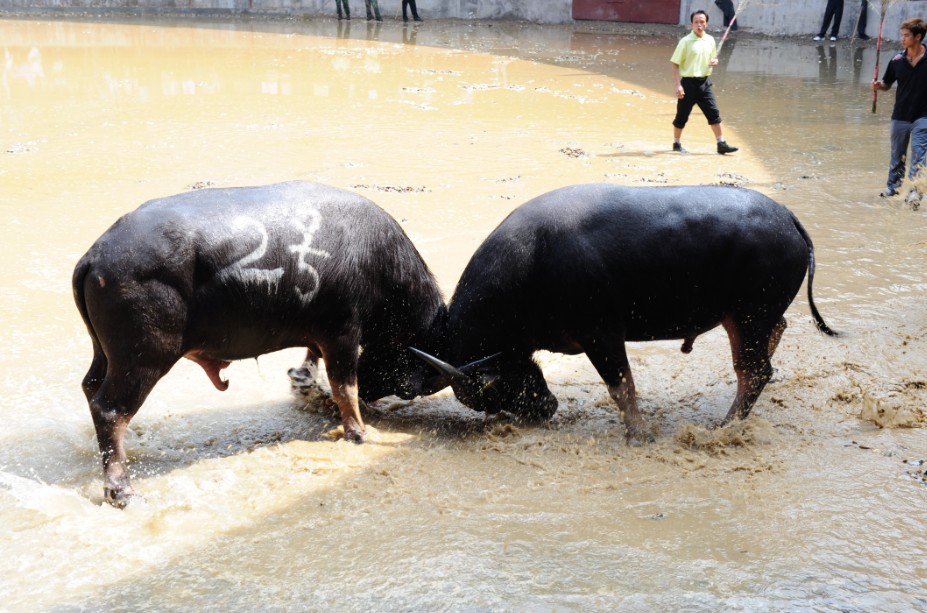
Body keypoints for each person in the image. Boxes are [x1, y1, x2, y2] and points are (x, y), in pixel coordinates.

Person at [872, 17, 927, 200]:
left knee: (919, 156)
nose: (902, 39)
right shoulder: (897, 60)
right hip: (900, 116)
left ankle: (914, 191)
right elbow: (887, 84)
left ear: (918, 37)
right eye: (901, 35)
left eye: (906, 35)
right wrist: (878, 86)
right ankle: (893, 188)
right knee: (897, 156)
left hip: (923, 116)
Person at [670, 10, 738, 155]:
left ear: (706, 23)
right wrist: (678, 85)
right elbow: (675, 64)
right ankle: (676, 143)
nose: (699, 25)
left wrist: (715, 61)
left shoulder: (710, 40)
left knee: (714, 114)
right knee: (682, 116)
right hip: (688, 84)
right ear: (691, 24)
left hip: (705, 83)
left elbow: (711, 59)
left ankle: (721, 143)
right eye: (696, 22)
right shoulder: (685, 42)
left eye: (702, 22)